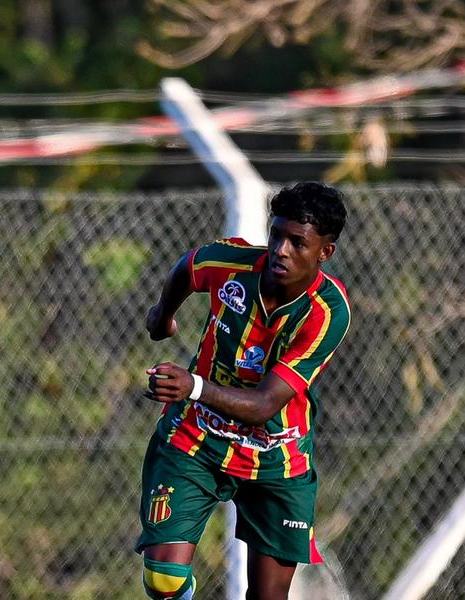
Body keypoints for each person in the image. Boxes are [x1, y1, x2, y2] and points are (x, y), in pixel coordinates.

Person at [137, 182, 350, 600]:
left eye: (297, 242)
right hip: (196, 438)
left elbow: (265, 405)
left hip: (276, 457)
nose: (280, 250)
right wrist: (163, 316)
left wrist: (192, 386)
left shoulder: (327, 313)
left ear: (324, 253)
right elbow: (189, 266)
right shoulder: (233, 262)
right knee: (163, 580)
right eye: (277, 234)